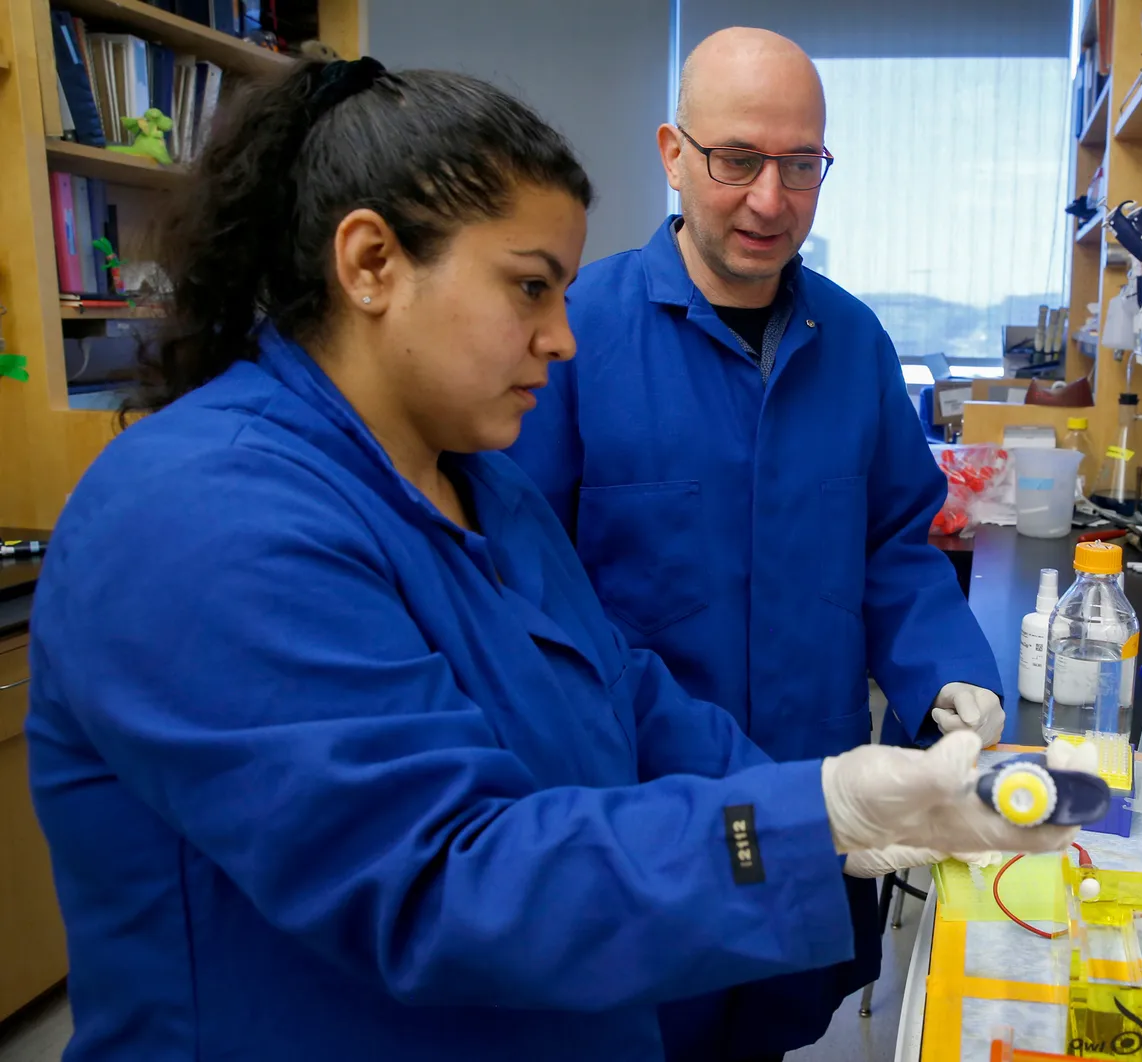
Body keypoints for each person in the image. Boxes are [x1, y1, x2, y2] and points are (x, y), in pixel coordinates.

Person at [25, 59, 1087, 1061]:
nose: (563, 336)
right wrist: (808, 822)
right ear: (370, 264)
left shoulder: (479, 484)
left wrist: (828, 787)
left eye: (561, 290)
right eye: (529, 289)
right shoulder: (206, 516)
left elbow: (619, 692)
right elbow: (442, 879)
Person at [506, 26, 1006, 1059]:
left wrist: (947, 675)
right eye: (737, 162)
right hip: (645, 818)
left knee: (770, 1028)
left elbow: (893, 548)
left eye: (800, 166)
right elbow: (519, 587)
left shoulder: (855, 341)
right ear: (671, 153)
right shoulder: (573, 333)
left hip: (815, 798)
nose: (770, 200)